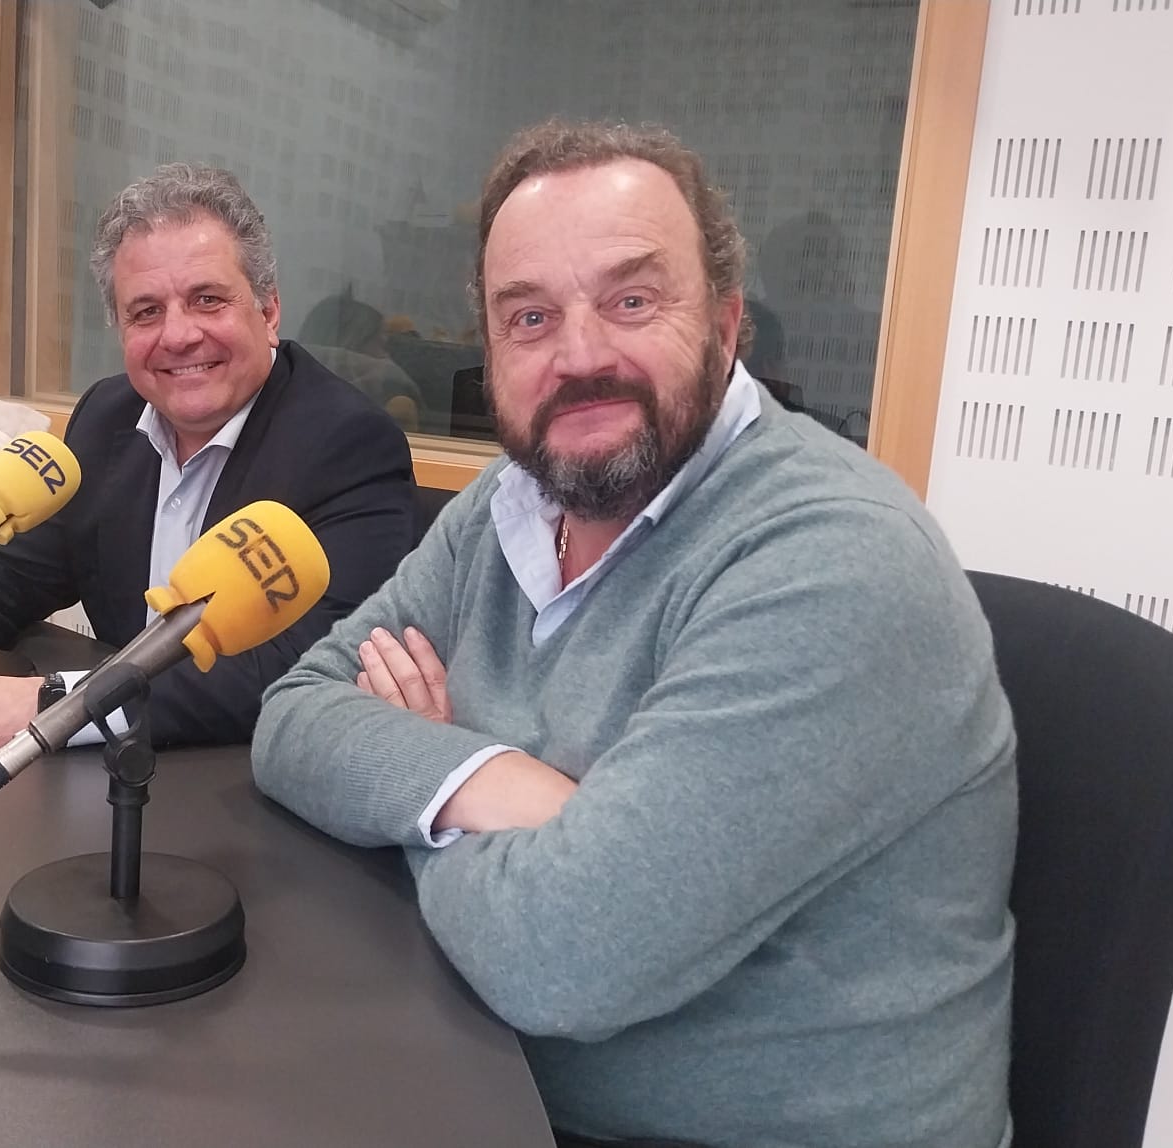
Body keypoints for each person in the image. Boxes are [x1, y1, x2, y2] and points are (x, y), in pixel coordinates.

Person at [250, 120, 1017, 1148]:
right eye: (529, 317)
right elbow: (295, 714)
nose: (580, 356)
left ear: (728, 323)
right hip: (486, 1082)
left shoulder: (836, 561)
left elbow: (560, 954)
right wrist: (490, 781)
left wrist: (411, 805)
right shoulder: (509, 503)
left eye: (632, 300)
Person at [0, 163, 415, 755]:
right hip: (113, 783)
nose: (178, 335)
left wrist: (50, 706)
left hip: (236, 782)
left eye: (207, 300)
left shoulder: (349, 445)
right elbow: (22, 565)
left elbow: (304, 663)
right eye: (145, 312)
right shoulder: (108, 414)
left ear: (268, 312)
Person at [296, 288, 424, 431]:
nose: (387, 357)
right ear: (353, 346)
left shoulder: (288, 408)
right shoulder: (391, 410)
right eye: (381, 345)